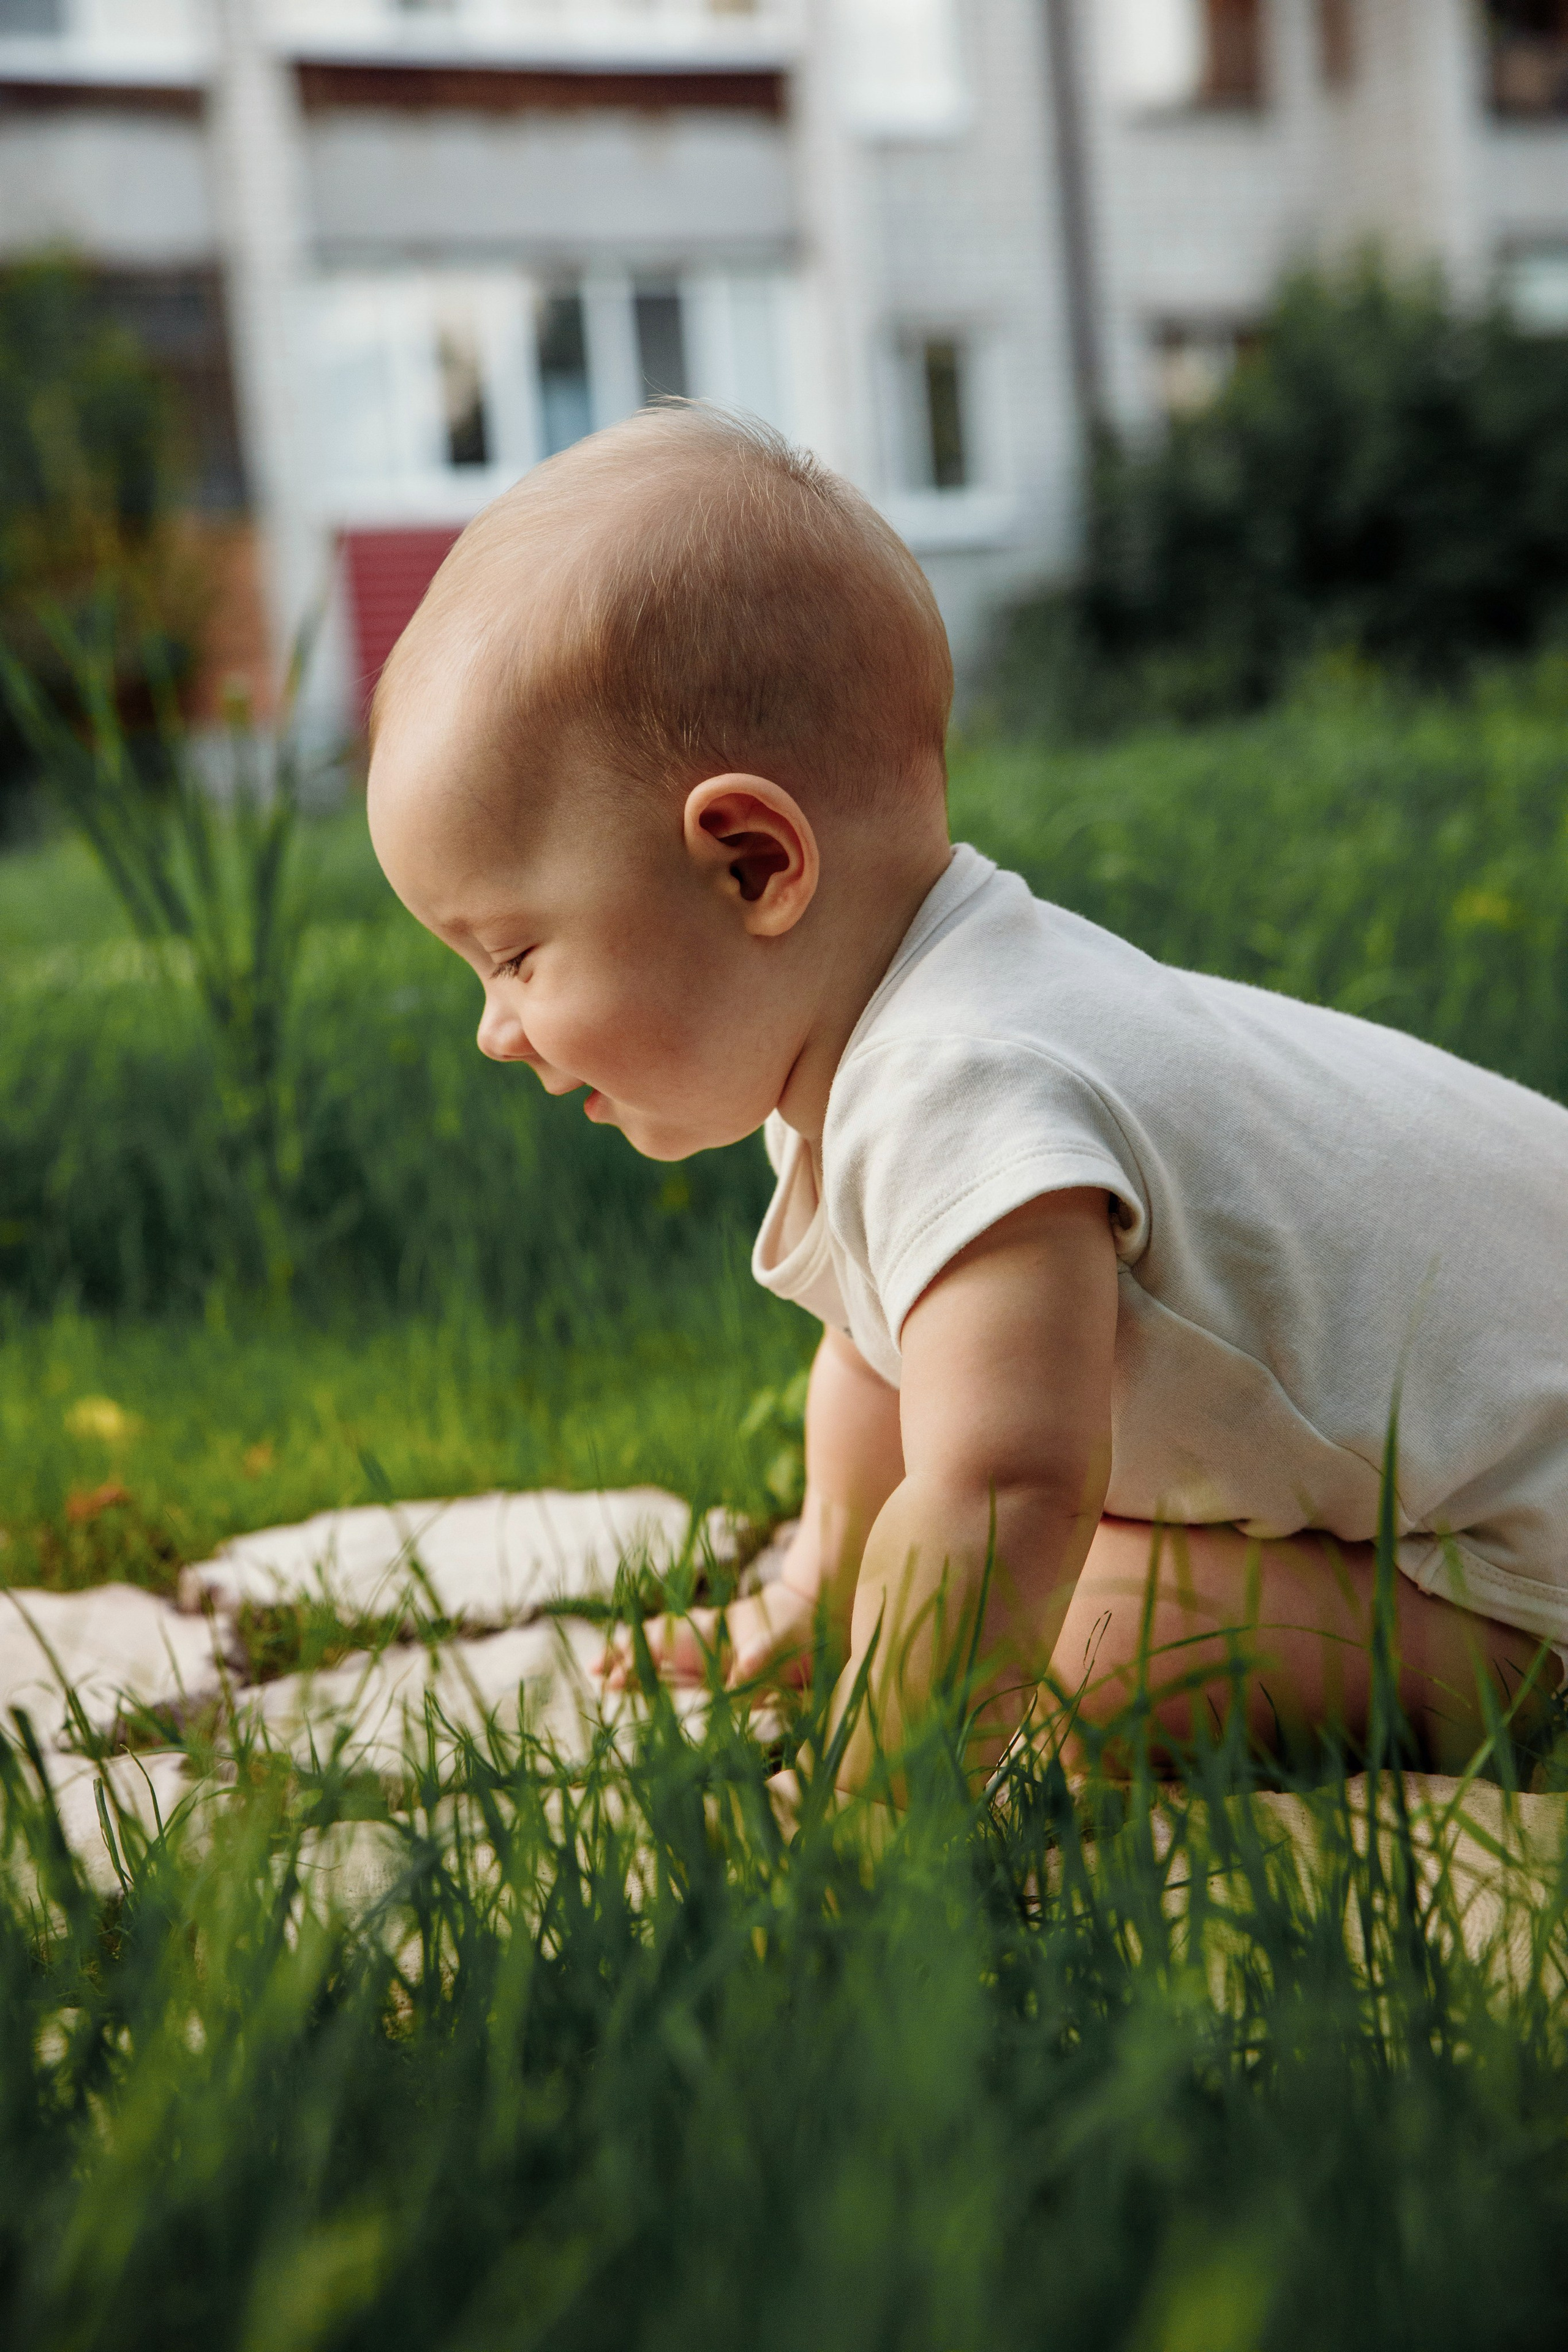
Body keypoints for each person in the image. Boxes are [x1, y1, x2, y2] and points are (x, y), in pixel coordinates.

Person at [366, 404, 1568, 1789]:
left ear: (753, 864)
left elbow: (1003, 1494)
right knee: (969, 1573)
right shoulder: (913, 1024)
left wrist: (881, 1812)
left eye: (515, 955)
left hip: (1527, 1568)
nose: (494, 1032)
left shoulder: (966, 1079)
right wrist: (824, 1588)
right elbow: (881, 1348)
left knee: (1078, 1633)